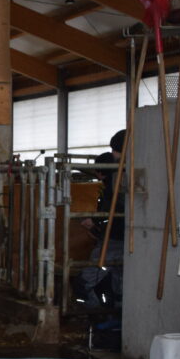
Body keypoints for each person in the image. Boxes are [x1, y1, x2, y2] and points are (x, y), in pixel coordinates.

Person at [76, 129, 126, 311]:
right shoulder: (117, 176)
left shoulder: (118, 178)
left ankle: (93, 310)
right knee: (117, 274)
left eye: (116, 149)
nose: (114, 154)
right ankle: (115, 311)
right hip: (121, 236)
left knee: (93, 273)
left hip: (114, 238)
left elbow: (116, 209)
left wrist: (97, 222)